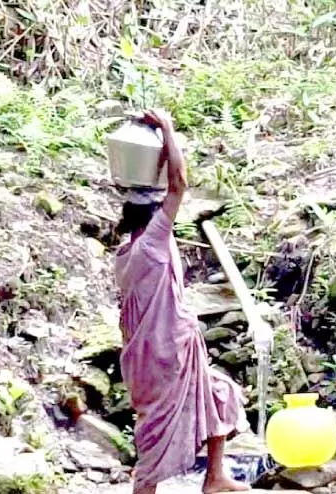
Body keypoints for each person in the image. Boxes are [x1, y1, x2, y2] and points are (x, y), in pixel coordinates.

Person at [114, 109, 251, 494]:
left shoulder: (126, 253)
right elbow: (179, 185)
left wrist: (153, 151)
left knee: (220, 393)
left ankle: (214, 478)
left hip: (150, 358)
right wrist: (167, 128)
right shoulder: (153, 242)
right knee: (156, 440)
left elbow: (165, 187)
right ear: (153, 214)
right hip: (164, 357)